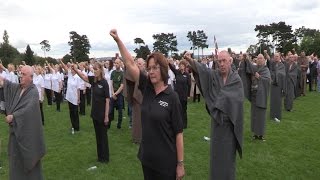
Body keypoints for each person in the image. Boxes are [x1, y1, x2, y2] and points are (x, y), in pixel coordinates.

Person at [110, 29, 185, 180]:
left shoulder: (172, 97)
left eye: (155, 68)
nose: (151, 71)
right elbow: (130, 63)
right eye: (149, 68)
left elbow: (178, 133)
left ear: (163, 70)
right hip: (147, 159)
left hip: (166, 163)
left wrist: (180, 164)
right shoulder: (147, 88)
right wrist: (118, 41)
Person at [184, 50, 243, 180]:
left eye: (224, 61)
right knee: (216, 156)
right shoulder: (214, 75)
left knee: (228, 158)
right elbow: (203, 71)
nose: (221, 64)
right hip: (217, 124)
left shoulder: (236, 79)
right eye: (219, 61)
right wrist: (190, 60)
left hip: (230, 126)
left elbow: (237, 99)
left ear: (230, 61)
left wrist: (218, 102)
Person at [0, 65, 46, 180]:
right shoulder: (19, 88)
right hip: (16, 135)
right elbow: (6, 84)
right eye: (20, 73)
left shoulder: (33, 91)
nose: (21, 76)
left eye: (24, 74)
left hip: (27, 136)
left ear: (31, 77)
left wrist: (13, 117)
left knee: (28, 163)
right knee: (16, 162)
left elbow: (28, 110)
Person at [74, 62, 110, 163]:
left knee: (103, 136)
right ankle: (100, 157)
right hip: (95, 114)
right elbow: (83, 77)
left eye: (96, 69)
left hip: (102, 114)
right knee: (98, 136)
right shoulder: (93, 81)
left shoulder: (104, 83)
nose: (94, 71)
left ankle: (105, 158)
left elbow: (107, 100)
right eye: (93, 69)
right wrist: (76, 70)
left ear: (101, 70)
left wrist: (106, 116)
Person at [245, 54, 271, 140]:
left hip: (261, 95)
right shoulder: (255, 68)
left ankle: (261, 134)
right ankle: (255, 134)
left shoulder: (266, 69)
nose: (259, 60)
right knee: (254, 115)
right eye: (258, 58)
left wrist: (259, 77)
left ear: (264, 60)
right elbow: (249, 67)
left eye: (261, 58)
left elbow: (268, 80)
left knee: (261, 115)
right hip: (254, 95)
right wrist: (247, 59)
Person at [124, 58, 145, 144]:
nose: (138, 65)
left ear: (144, 65)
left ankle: (144, 137)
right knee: (136, 120)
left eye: (140, 64)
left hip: (146, 100)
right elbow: (128, 81)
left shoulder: (146, 75)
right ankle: (136, 138)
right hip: (136, 100)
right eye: (137, 64)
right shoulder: (134, 75)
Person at [60, 60, 81, 132]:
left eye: (72, 68)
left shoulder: (77, 77)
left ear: (75, 69)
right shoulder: (69, 74)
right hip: (69, 97)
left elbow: (78, 89)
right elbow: (65, 68)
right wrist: (61, 61)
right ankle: (73, 125)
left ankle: (77, 127)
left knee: (75, 113)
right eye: (71, 68)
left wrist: (78, 99)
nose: (71, 70)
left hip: (75, 97)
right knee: (71, 112)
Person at [169, 60, 191, 129]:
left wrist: (188, 95)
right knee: (177, 109)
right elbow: (172, 68)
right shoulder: (177, 72)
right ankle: (178, 123)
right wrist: (168, 62)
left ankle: (184, 124)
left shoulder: (187, 74)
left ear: (184, 66)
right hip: (177, 95)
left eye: (182, 65)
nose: (181, 66)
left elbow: (189, 85)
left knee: (184, 110)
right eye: (180, 65)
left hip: (184, 95)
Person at [269, 53, 286, 122]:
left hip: (279, 85)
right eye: (275, 56)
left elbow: (283, 74)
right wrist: (272, 76)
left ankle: (277, 116)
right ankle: (272, 116)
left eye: (277, 56)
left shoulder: (282, 65)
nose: (276, 58)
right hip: (273, 85)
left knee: (278, 102)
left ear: (279, 57)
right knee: (272, 101)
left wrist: (276, 74)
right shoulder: (272, 65)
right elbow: (270, 72)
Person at [108, 58, 124, 129]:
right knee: (110, 110)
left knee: (120, 111)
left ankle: (119, 125)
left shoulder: (122, 73)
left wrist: (115, 94)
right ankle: (108, 124)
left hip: (119, 94)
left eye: (117, 63)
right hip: (113, 93)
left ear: (120, 63)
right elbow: (111, 83)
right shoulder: (113, 72)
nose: (116, 64)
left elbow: (122, 86)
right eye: (115, 63)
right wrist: (112, 93)